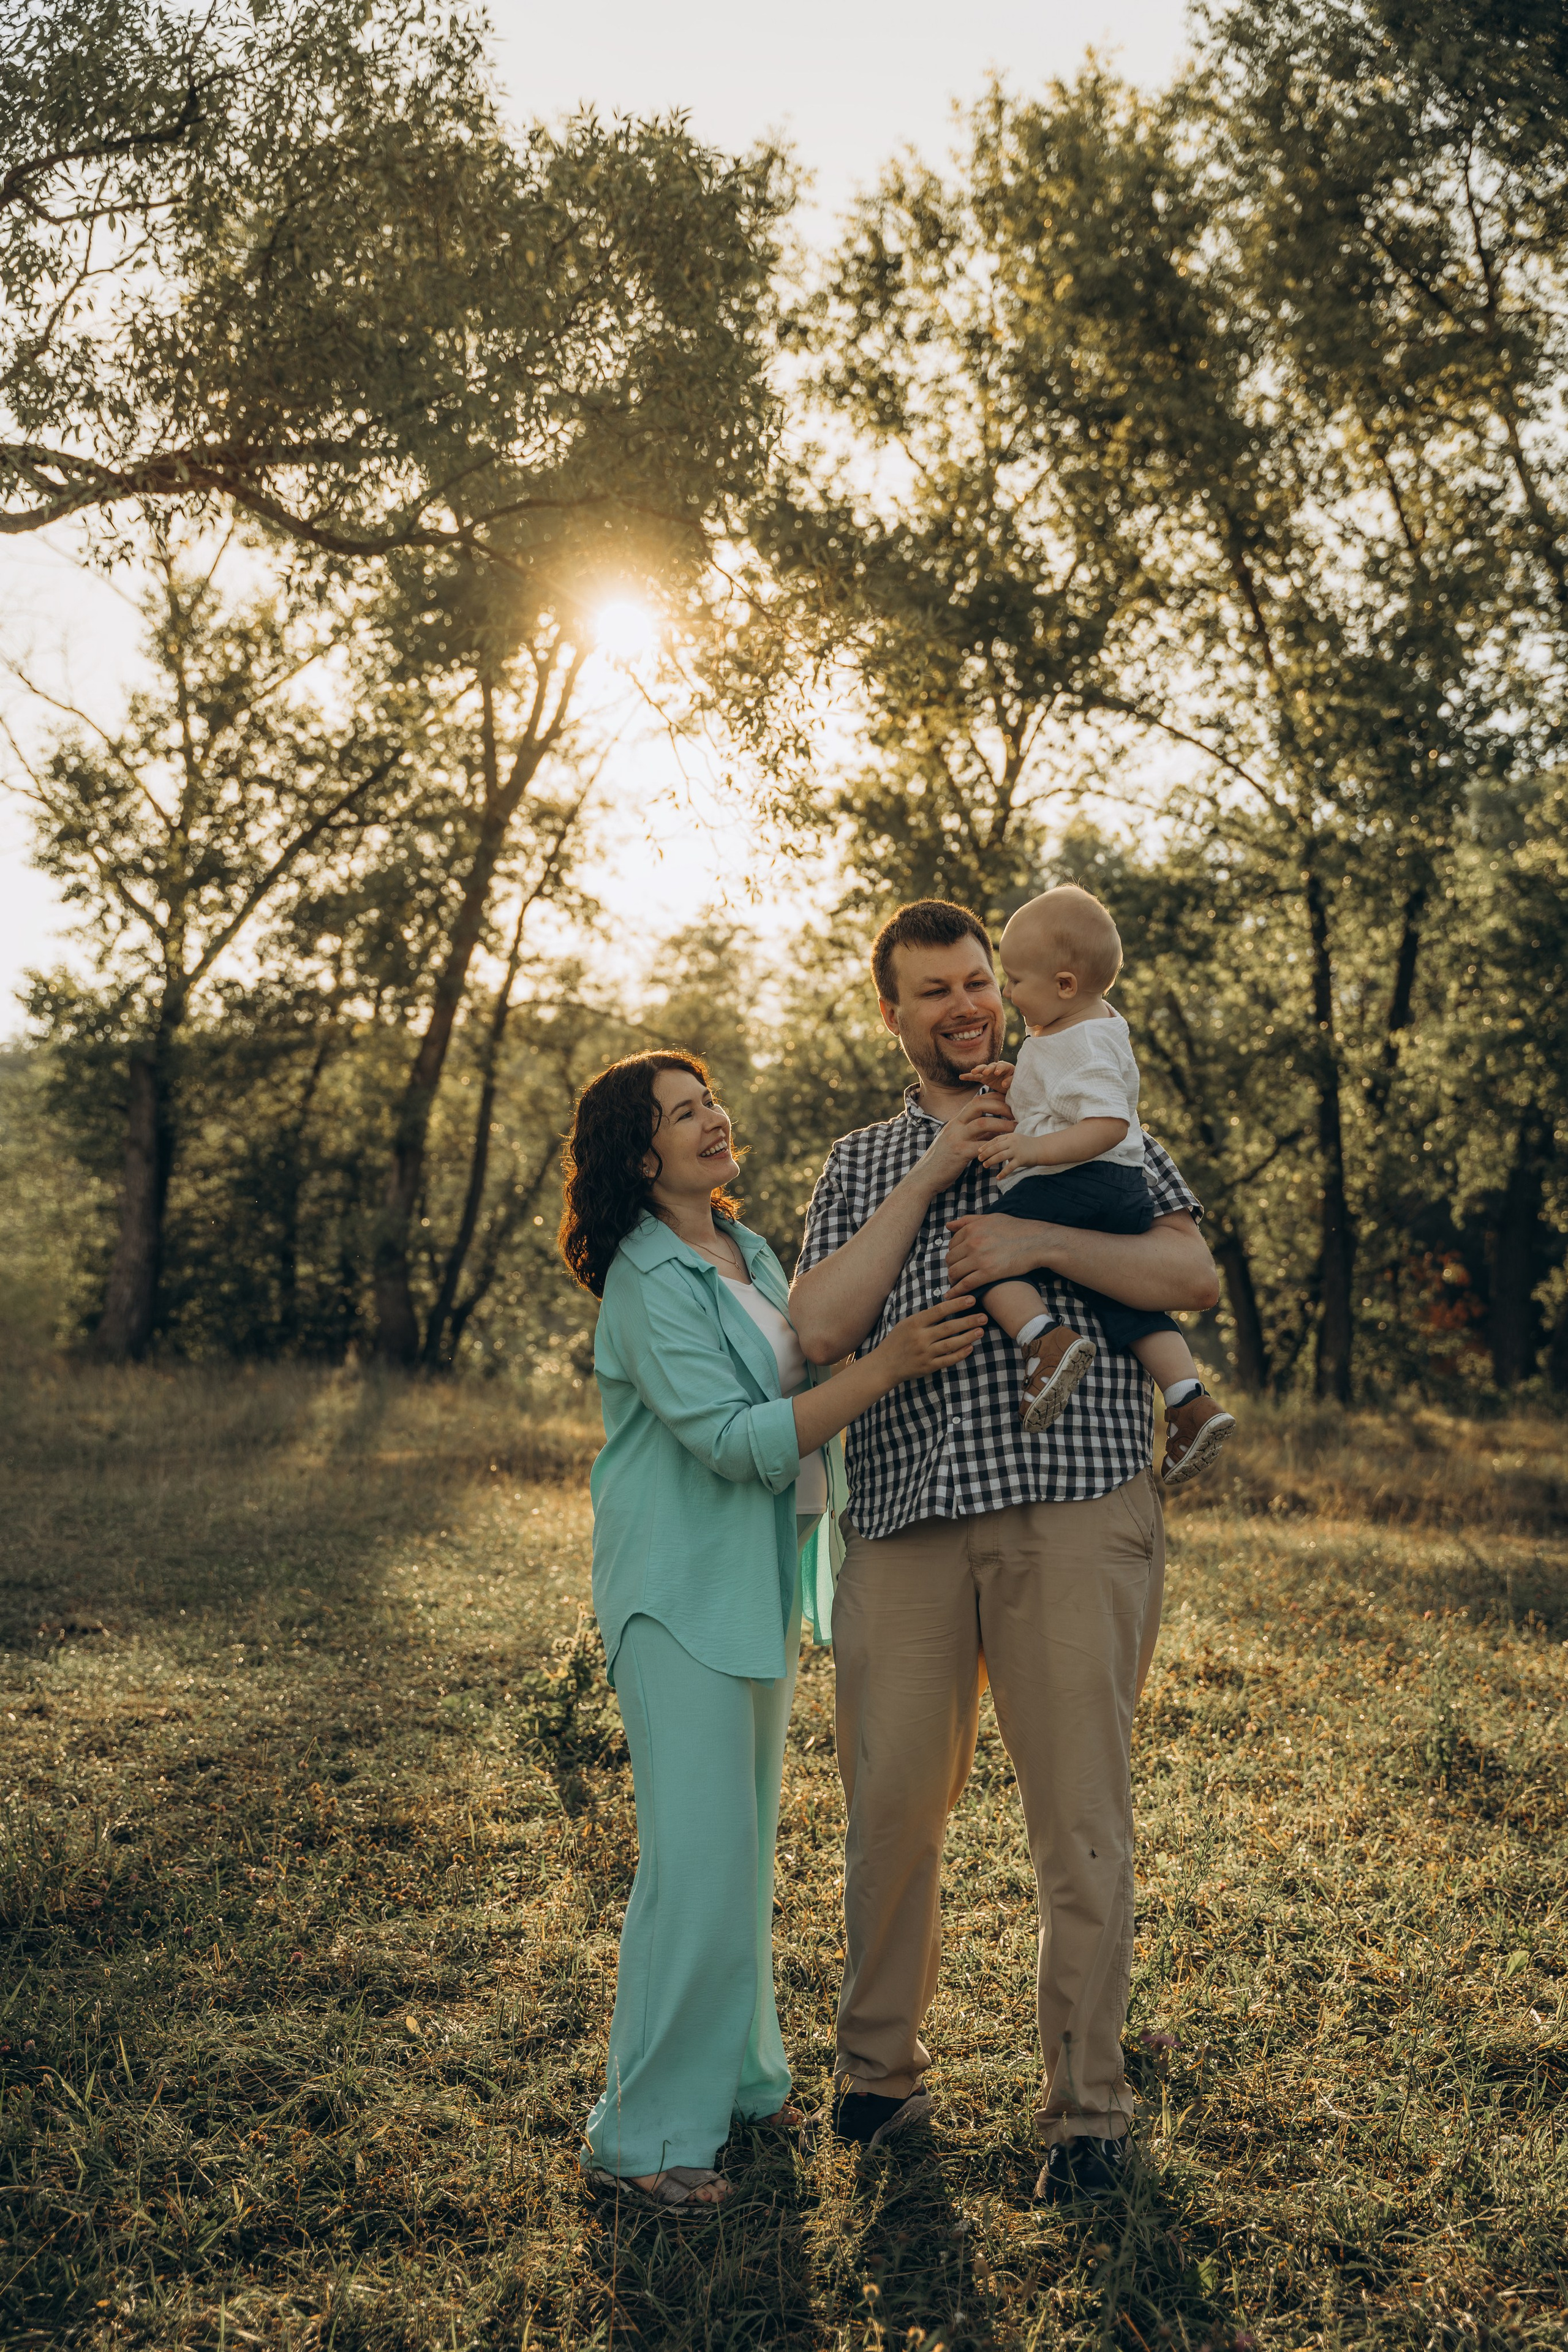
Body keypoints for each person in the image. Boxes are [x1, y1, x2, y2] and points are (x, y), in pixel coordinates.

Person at [789, 902, 1221, 2199]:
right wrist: (932, 1175)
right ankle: (878, 2078)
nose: (965, 1006)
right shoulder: (862, 1161)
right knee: (889, 1813)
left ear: (1010, 985)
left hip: (1074, 1503)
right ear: (893, 1017)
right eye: (932, 991)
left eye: (977, 980)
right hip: (906, 1525)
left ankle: (1087, 2113)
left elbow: (1190, 1276)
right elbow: (818, 1329)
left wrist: (1035, 1239)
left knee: (1079, 1820)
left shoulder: (1082, 1094)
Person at [559, 1049, 986, 2212]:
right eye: (680, 1114)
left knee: (739, 1855)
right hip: (675, 1591)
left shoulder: (743, 1251)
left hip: (756, 1581)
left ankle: (743, 2083)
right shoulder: (646, 1279)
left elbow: (798, 1386)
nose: (712, 1120)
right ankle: (643, 2139)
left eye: (709, 1101)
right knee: (694, 1868)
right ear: (637, 1156)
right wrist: (890, 1365)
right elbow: (735, 1440)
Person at [962, 883, 1235, 1487]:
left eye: (1015, 980)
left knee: (982, 1252)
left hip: (1084, 1180)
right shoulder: (1079, 1028)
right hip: (1114, 1194)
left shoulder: (1083, 1041)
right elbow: (1063, 1095)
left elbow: (1107, 1122)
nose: (1007, 992)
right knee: (1128, 1303)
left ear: (1064, 984)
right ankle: (1188, 1401)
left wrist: (1031, 1148)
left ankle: (1044, 1341)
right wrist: (1016, 1083)